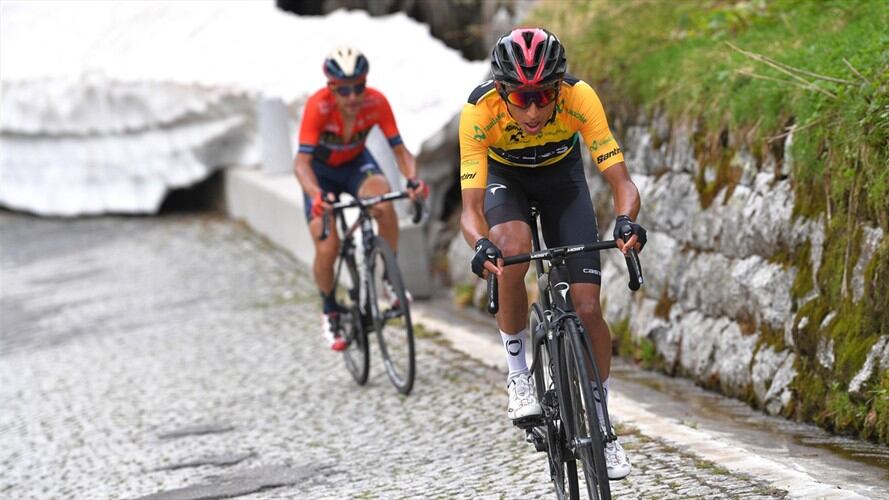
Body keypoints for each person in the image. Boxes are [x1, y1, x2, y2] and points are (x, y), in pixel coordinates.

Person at [458, 28, 646, 480]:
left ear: (558, 87)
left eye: (544, 96)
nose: (533, 110)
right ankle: (519, 373)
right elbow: (470, 209)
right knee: (512, 251)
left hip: (563, 181)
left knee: (587, 307)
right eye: (521, 98)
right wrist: (480, 243)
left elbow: (621, 182)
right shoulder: (479, 110)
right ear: (501, 90)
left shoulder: (580, 97)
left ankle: (602, 427)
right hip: (506, 181)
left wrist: (625, 220)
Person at [295, 46, 428, 351]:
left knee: (383, 201)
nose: (353, 96)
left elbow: (400, 150)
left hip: (356, 165)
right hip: (320, 174)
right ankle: (329, 309)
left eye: (359, 87)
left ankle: (389, 278)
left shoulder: (376, 102)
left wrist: (413, 180)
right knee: (328, 246)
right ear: (331, 87)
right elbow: (301, 164)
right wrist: (315, 194)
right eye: (344, 90)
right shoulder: (318, 106)